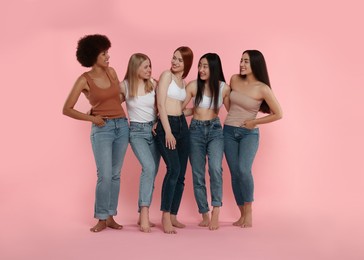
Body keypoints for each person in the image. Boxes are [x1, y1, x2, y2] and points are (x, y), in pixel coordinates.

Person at [63, 34, 129, 232]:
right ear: (93, 56)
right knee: (105, 175)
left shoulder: (112, 72)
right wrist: (93, 118)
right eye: (103, 53)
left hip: (122, 126)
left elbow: (117, 99)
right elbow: (67, 109)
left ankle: (110, 216)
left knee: (116, 174)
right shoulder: (84, 80)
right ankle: (101, 217)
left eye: (107, 52)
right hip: (102, 129)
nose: (108, 56)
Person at [223, 50, 283, 228]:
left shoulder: (262, 88)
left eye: (246, 61)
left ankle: (248, 213)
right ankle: (242, 215)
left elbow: (278, 114)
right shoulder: (234, 79)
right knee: (234, 174)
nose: (241, 64)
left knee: (243, 170)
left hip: (249, 134)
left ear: (255, 64)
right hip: (228, 131)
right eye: (241, 60)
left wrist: (254, 122)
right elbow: (229, 104)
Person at [182, 53, 230, 230]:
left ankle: (216, 210)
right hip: (195, 130)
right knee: (197, 173)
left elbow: (233, 112)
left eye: (205, 66)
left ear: (214, 68)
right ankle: (204, 213)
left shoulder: (224, 88)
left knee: (216, 169)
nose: (200, 70)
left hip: (216, 130)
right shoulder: (193, 86)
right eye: (199, 66)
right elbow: (181, 109)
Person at [155, 46, 194, 234]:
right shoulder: (166, 76)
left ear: (186, 64)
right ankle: (165, 215)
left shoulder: (183, 81)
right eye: (174, 58)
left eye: (179, 60)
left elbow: (179, 107)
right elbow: (161, 104)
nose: (175, 62)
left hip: (181, 125)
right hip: (167, 126)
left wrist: (194, 111)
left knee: (181, 174)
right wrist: (168, 132)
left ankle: (173, 215)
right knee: (173, 169)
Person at [120, 53, 160, 233]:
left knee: (152, 172)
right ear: (135, 67)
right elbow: (110, 103)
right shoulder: (125, 86)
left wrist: (158, 122)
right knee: (149, 168)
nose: (149, 70)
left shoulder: (154, 83)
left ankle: (141, 213)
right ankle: (145, 213)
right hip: (136, 132)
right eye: (145, 66)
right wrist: (94, 109)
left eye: (150, 66)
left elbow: (161, 109)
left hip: (153, 131)